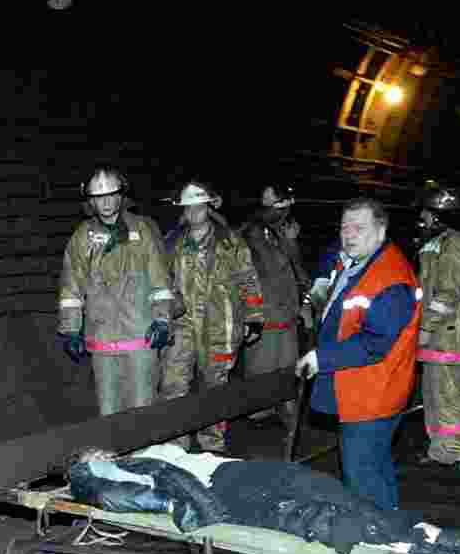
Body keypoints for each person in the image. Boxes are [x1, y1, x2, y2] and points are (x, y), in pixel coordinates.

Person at [65, 443, 460, 554]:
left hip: (236, 471)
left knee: (334, 495)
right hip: (229, 488)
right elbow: (163, 496)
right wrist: (213, 517)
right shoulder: (106, 477)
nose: (101, 454)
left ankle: (451, 544)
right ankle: (449, 550)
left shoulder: (133, 459)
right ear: (85, 469)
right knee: (326, 511)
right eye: (91, 457)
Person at [295, 198, 421, 511]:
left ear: (381, 231)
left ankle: (374, 543)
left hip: (372, 393)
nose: (349, 234)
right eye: (344, 227)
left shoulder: (390, 279)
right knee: (374, 468)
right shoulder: (359, 264)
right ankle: (390, 531)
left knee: (363, 476)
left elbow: (374, 344)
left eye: (359, 228)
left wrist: (320, 358)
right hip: (362, 390)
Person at [57, 167, 174, 415]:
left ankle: (144, 453)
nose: (106, 202)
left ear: (121, 196)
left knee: (143, 407)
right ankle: (114, 454)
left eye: (111, 195)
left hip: (141, 336)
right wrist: (71, 330)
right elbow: (71, 289)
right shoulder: (82, 237)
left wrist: (162, 320)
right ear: (91, 201)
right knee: (109, 411)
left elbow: (160, 281)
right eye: (99, 197)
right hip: (102, 339)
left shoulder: (143, 230)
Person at [160, 180, 264, 453]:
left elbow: (247, 279)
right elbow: (160, 281)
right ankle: (174, 444)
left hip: (219, 325)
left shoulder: (230, 242)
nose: (193, 213)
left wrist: (254, 317)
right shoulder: (172, 243)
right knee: (173, 384)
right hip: (182, 324)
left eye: (198, 206)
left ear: (208, 206)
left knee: (215, 388)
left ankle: (212, 446)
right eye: (188, 208)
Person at [414, 186, 460, 465]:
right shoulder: (439, 242)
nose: (422, 217)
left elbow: (448, 292)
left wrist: (426, 327)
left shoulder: (455, 243)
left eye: (426, 212)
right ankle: (444, 449)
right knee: (436, 397)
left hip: (450, 334)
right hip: (441, 335)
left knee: (449, 396)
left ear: (438, 215)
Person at [239, 182, 312, 432]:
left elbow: (297, 272)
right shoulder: (251, 234)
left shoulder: (284, 231)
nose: (281, 214)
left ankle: (283, 408)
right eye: (274, 208)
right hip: (264, 312)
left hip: (286, 312)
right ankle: (259, 413)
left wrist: (304, 300)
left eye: (283, 207)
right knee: (262, 366)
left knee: (286, 365)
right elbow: (259, 271)